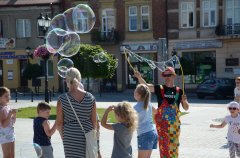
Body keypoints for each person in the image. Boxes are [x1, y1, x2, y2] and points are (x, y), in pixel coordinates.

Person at [134, 67, 189, 158]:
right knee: (164, 149)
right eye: (165, 75)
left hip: (174, 127)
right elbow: (147, 86)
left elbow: (186, 108)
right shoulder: (160, 88)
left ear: (174, 76)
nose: (167, 77)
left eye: (169, 75)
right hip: (162, 126)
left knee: (174, 149)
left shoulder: (179, 91)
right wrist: (139, 77)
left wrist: (184, 101)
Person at [56, 67, 97, 158]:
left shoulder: (62, 99)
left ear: (67, 80)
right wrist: (94, 137)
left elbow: (59, 123)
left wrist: (64, 137)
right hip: (88, 134)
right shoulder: (90, 97)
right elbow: (94, 121)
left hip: (70, 136)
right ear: (79, 79)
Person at [133, 84, 158, 158]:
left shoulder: (136, 107)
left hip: (144, 134)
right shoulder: (149, 104)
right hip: (152, 132)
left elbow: (127, 118)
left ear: (138, 95)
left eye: (135, 91)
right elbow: (156, 111)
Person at [0, 87, 17, 158]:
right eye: (6, 96)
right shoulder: (1, 109)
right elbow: (4, 125)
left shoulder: (7, 107)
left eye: (9, 95)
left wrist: (14, 114)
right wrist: (10, 114)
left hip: (11, 134)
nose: (8, 97)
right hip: (4, 135)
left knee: (12, 155)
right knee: (7, 156)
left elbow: (13, 122)